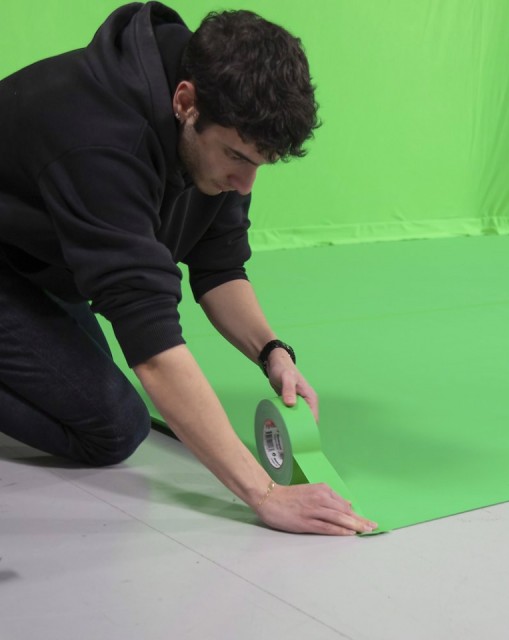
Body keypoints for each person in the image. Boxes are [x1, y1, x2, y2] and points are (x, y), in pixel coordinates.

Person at [0, 1, 377, 535]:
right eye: (238, 158)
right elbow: (151, 342)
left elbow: (219, 266)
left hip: (31, 259)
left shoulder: (219, 123)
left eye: (258, 165)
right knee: (113, 427)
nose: (245, 184)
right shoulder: (100, 140)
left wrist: (272, 353)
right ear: (185, 102)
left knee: (82, 395)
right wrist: (265, 493)